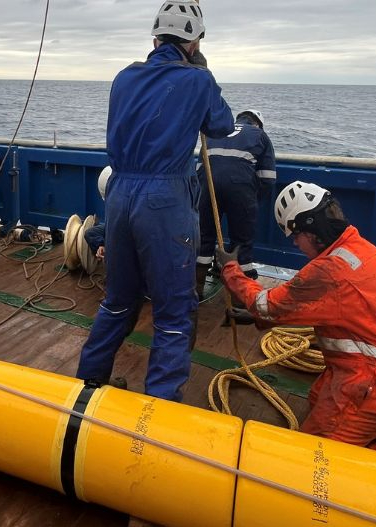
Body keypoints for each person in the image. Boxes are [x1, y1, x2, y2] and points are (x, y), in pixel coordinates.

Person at [217, 180, 376, 510]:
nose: (296, 245)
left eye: (294, 236)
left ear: (308, 229)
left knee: (318, 460)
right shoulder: (357, 249)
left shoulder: (330, 270)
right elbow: (331, 309)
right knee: (318, 398)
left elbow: (267, 305)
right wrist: (258, 319)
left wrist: (230, 270)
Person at [75, 1, 234, 401]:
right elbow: (222, 125)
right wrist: (202, 77)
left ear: (155, 39)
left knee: (118, 300)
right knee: (173, 312)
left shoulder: (123, 77)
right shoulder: (198, 80)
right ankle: (159, 409)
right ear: (194, 43)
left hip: (120, 194)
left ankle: (88, 384)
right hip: (164, 200)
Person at [195, 109, 275, 291]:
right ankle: (241, 297)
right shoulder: (260, 135)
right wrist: (252, 200)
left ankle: (196, 289)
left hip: (207, 187)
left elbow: (200, 170)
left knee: (205, 236)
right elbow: (268, 178)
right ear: (257, 123)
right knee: (242, 241)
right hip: (241, 190)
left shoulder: (215, 132)